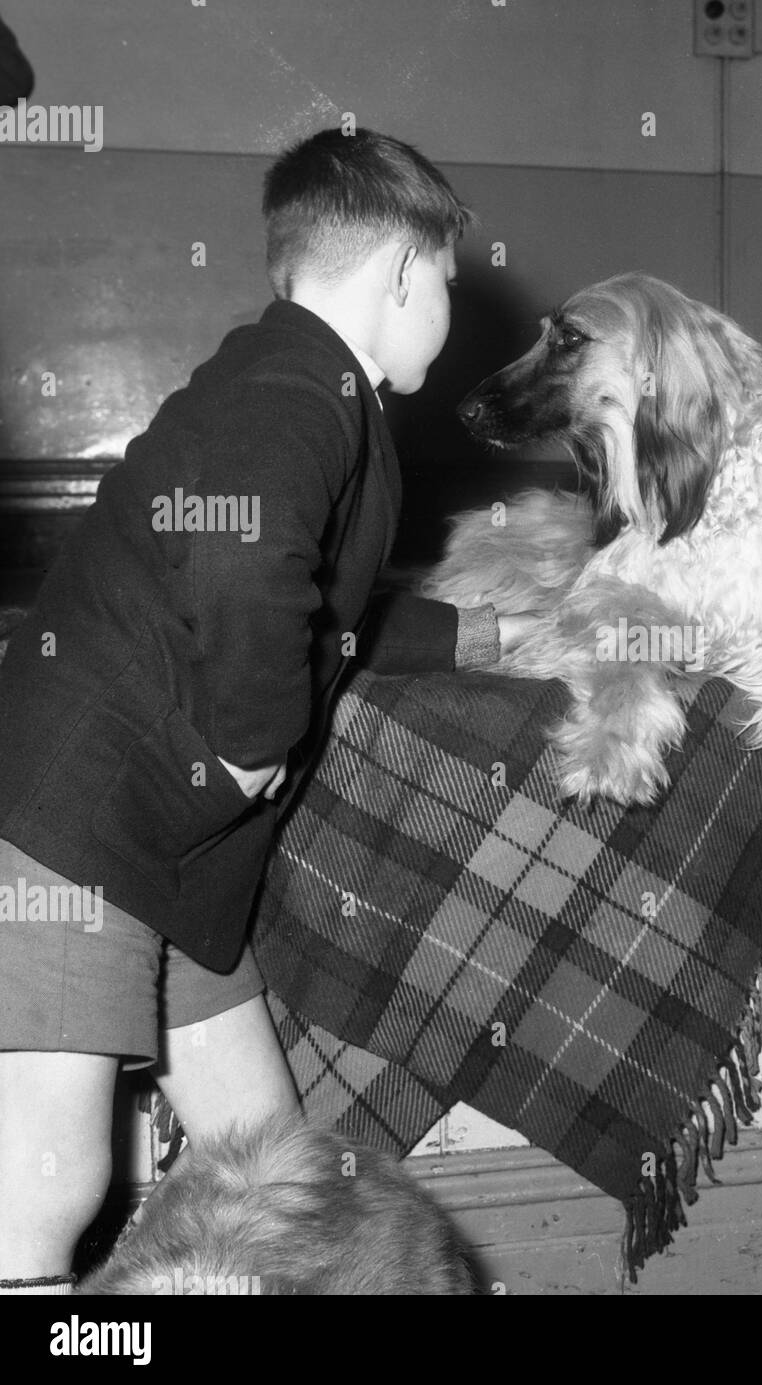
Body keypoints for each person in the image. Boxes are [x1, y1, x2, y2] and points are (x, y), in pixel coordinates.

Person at [0, 127, 537, 1293]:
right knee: (44, 1185)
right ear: (401, 270)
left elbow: (302, 609)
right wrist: (253, 743)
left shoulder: (298, 383)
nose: (449, 304)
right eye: (444, 279)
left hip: (168, 851)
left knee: (281, 1164)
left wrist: (472, 634)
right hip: (72, 827)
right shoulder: (294, 390)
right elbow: (241, 571)